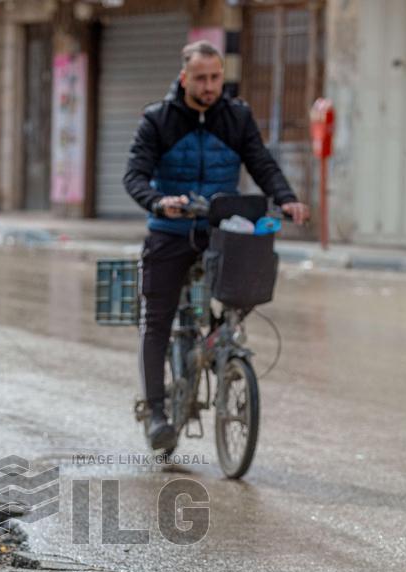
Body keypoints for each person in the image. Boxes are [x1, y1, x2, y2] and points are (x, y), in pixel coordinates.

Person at [123, 40, 310, 451]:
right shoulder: (158, 120)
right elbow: (134, 175)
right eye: (201, 78)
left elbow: (261, 163)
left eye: (215, 77)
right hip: (170, 233)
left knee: (241, 298)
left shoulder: (236, 116)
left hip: (221, 231)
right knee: (157, 322)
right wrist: (159, 202)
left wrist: (286, 198)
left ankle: (221, 353)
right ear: (183, 77)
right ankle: (156, 412)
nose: (209, 86)